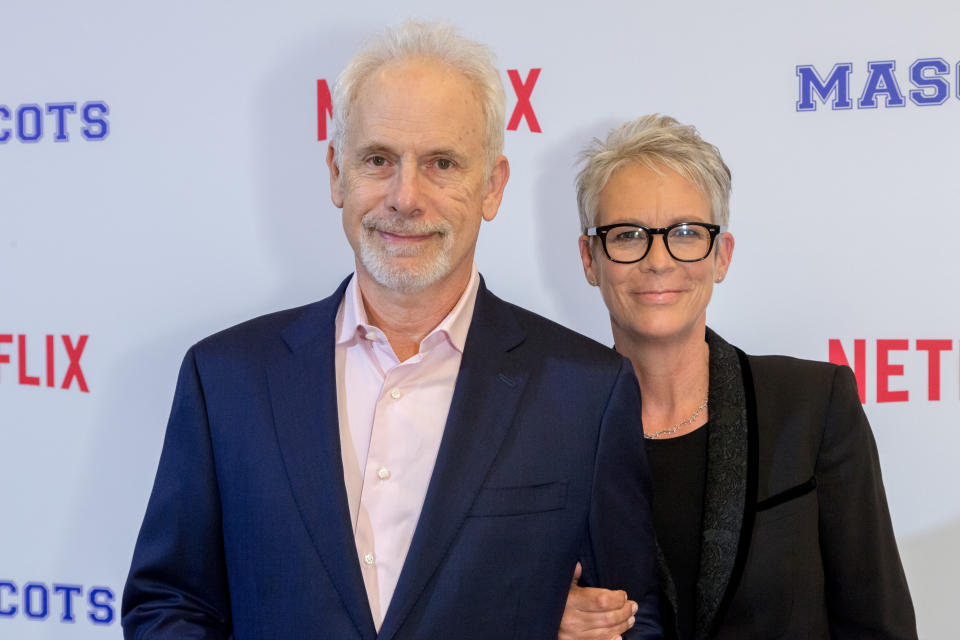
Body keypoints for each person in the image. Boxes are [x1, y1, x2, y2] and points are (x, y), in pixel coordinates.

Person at [121, 22, 662, 639]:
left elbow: (633, 620)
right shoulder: (224, 379)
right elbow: (168, 604)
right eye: (379, 160)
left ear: (492, 185)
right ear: (336, 174)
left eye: (442, 163)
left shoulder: (586, 392)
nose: (406, 197)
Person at [558, 115, 917, 640]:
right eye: (628, 234)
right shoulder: (545, 431)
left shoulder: (813, 407)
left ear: (720, 255)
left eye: (684, 232)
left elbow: (877, 624)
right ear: (591, 259)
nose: (658, 260)